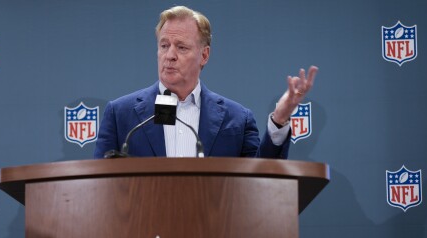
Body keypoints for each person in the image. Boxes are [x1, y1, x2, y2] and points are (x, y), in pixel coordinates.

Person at [93, 5, 318, 159]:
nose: (169, 55)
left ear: (204, 55)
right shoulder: (121, 114)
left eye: (181, 47)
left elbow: (260, 181)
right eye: (164, 45)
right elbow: (99, 185)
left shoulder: (237, 119)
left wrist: (280, 118)